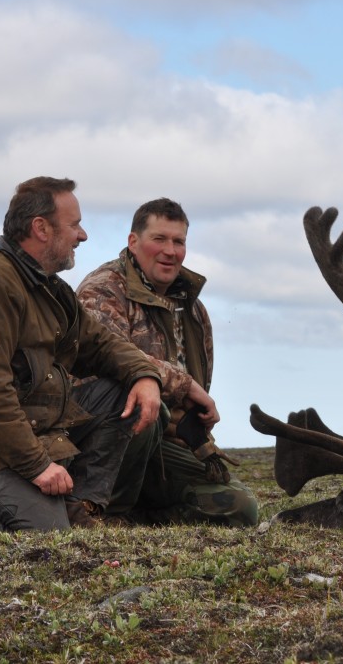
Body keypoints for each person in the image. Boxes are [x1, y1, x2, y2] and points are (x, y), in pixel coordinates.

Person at [0, 177, 163, 535]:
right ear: (41, 228)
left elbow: (100, 343)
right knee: (44, 534)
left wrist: (144, 375)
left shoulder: (49, 289)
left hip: (31, 427)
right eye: (74, 225)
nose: (82, 235)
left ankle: (78, 507)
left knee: (120, 394)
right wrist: (38, 467)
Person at [73, 198, 259, 527]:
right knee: (146, 402)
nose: (170, 251)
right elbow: (107, 356)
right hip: (101, 441)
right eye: (159, 239)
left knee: (240, 508)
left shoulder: (193, 310)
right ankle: (104, 510)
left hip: (163, 447)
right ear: (134, 242)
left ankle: (132, 521)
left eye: (179, 241)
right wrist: (183, 385)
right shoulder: (101, 290)